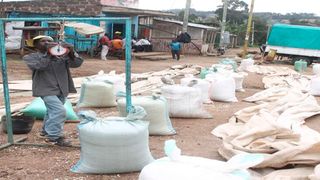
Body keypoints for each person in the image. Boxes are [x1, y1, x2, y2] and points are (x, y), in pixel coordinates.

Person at [23, 35, 83, 146]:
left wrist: (71, 52)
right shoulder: (31, 57)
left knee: (51, 111)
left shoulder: (61, 56)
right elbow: (40, 66)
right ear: (36, 45)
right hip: (45, 89)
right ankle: (54, 136)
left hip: (61, 88)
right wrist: (49, 54)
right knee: (59, 111)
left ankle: (45, 131)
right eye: (43, 41)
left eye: (49, 41)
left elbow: (77, 64)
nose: (46, 43)